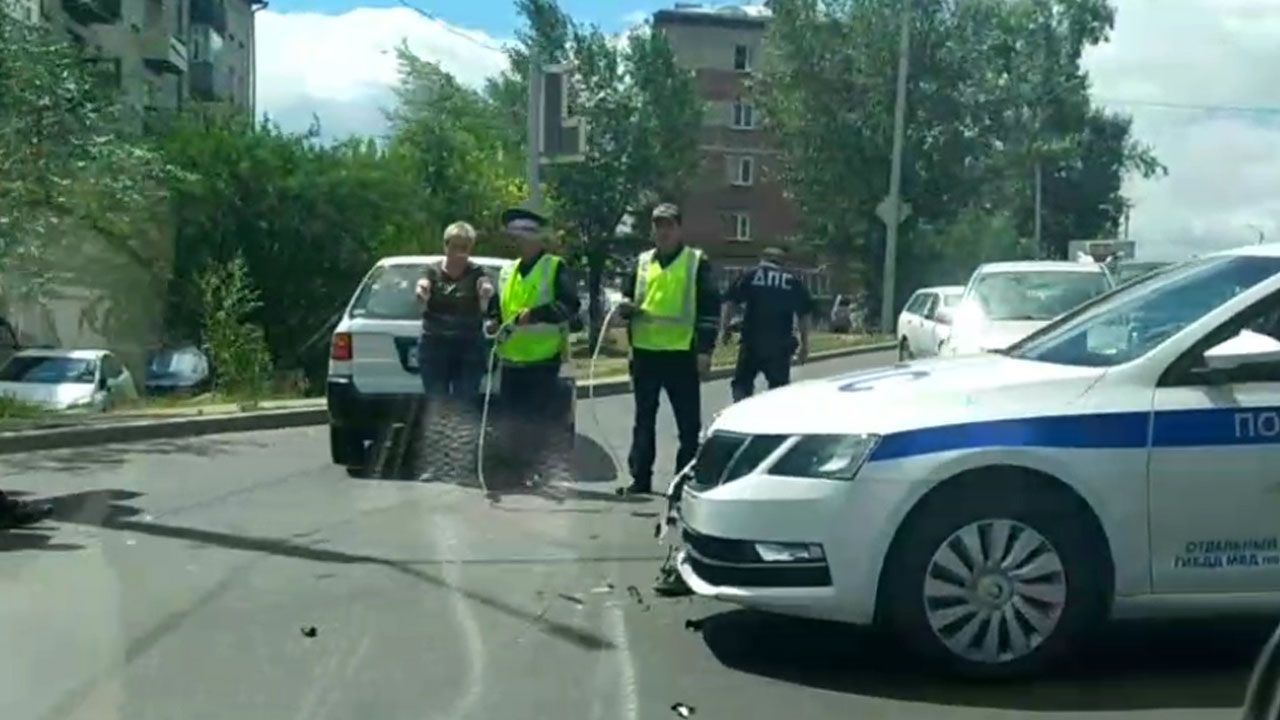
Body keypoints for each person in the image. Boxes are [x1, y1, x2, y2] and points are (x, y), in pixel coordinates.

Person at [617, 203, 720, 496]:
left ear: (679, 229)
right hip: (646, 353)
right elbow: (626, 294)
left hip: (681, 354)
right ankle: (640, 479)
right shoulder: (641, 262)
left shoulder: (695, 262)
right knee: (643, 421)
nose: (662, 232)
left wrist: (705, 351)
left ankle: (682, 482)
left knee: (688, 425)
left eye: (668, 226)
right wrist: (624, 306)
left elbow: (709, 309)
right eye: (657, 225)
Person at [485, 206, 582, 487]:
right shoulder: (506, 271)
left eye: (524, 237)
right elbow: (496, 311)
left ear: (537, 239)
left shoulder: (555, 267)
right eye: (515, 238)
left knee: (537, 421)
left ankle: (538, 472)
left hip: (543, 359)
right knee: (512, 421)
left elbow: (569, 306)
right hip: (511, 360)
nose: (519, 243)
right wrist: (492, 323)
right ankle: (516, 473)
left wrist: (536, 314)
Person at [414, 221, 494, 399]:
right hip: (434, 345)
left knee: (464, 400)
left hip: (468, 346)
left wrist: (486, 291)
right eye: (455, 247)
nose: (459, 253)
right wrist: (422, 291)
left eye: (464, 248)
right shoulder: (432, 270)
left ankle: (460, 426)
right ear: (445, 245)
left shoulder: (477, 272)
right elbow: (423, 283)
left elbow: (485, 284)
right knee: (437, 399)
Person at [723, 246, 812, 402]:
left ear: (763, 259)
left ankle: (741, 416)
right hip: (780, 345)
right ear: (782, 262)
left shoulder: (750, 275)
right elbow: (804, 314)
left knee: (742, 385)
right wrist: (805, 345)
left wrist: (725, 328)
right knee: (779, 390)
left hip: (752, 342)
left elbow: (730, 302)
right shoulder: (792, 281)